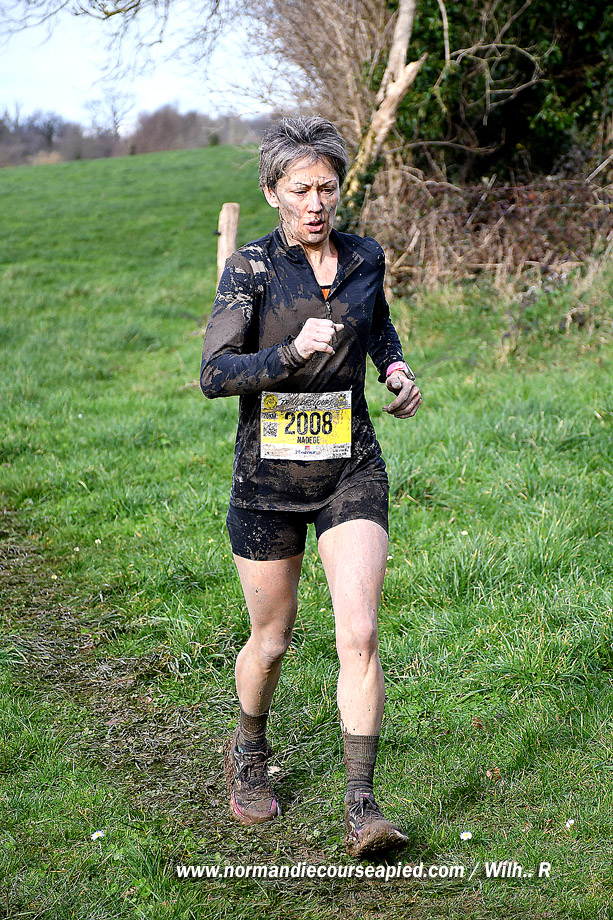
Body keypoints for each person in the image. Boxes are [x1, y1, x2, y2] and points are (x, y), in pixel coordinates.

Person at [200, 116, 422, 858]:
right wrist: (292, 352)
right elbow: (214, 374)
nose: (316, 203)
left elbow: (377, 326)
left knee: (359, 632)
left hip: (350, 468)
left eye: (327, 187)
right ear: (273, 193)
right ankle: (249, 747)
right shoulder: (251, 270)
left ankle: (363, 807)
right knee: (272, 641)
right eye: (300, 190)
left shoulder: (365, 257)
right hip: (267, 480)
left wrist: (394, 369)